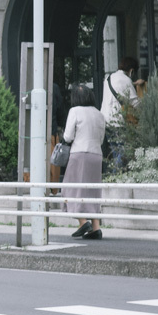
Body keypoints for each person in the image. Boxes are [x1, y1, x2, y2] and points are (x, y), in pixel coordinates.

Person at [62, 83, 105, 239]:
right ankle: (96, 228)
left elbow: (68, 137)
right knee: (92, 190)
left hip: (79, 154)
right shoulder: (99, 114)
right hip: (96, 155)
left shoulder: (75, 111)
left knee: (71, 188)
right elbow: (101, 139)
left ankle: (83, 222)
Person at [101, 56, 138, 124]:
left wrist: (134, 83)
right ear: (131, 71)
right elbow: (135, 103)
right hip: (118, 122)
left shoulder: (108, 79)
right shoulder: (126, 80)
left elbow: (118, 87)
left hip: (105, 120)